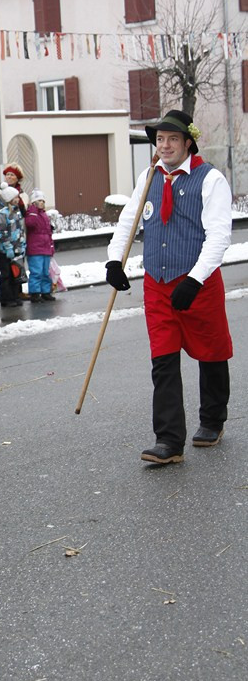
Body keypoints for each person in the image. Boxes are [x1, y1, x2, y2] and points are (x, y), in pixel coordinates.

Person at [106, 110, 233, 466]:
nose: (165, 146)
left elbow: (219, 234)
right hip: (157, 285)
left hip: (198, 284)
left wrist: (195, 279)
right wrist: (115, 259)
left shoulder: (210, 180)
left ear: (187, 143)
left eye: (172, 139)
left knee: (211, 352)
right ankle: (169, 440)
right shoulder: (148, 177)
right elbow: (129, 220)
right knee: (162, 360)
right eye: (160, 139)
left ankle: (212, 420)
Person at [0, 187, 26, 306]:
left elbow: (20, 230)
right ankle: (6, 299)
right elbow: (2, 232)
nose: (17, 199)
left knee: (16, 274)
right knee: (6, 274)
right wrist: (8, 247)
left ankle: (15, 296)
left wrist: (22, 245)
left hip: (17, 249)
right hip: (5, 250)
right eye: (15, 197)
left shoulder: (17, 212)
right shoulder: (2, 214)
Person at [25, 190, 55, 302]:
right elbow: (30, 224)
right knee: (36, 272)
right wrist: (33, 211)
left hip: (45, 248)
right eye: (39, 200)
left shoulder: (44, 215)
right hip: (35, 249)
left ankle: (46, 291)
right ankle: (35, 293)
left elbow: (48, 232)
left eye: (43, 200)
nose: (41, 202)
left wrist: (51, 246)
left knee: (45, 272)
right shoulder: (31, 213)